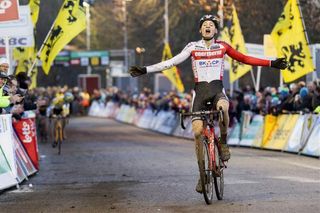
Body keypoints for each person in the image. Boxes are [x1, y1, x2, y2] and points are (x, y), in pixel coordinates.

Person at [129, 14, 288, 193]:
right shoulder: (192, 47)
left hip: (217, 90)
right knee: (197, 133)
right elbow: (171, 62)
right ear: (200, 29)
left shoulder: (222, 46)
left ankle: (224, 140)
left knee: (223, 107)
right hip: (200, 94)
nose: (208, 27)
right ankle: (202, 175)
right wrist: (145, 69)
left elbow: (244, 59)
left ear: (215, 30)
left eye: (211, 25)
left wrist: (271, 63)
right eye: (205, 24)